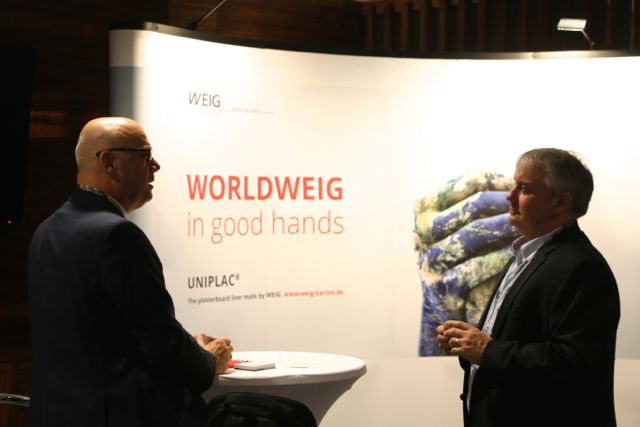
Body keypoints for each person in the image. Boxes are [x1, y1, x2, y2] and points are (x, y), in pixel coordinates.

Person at [28, 117, 233, 427]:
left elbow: (96, 334)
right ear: (109, 162)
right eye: (145, 155)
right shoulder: (117, 235)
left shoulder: (47, 229)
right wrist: (208, 360)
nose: (156, 166)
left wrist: (190, 346)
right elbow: (161, 343)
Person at [436, 148, 620, 427]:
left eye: (523, 189)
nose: (509, 197)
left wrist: (487, 350)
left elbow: (576, 363)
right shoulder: (524, 256)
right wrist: (466, 344)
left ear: (561, 202)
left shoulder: (583, 267)